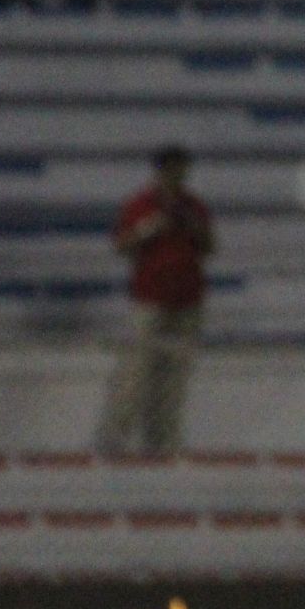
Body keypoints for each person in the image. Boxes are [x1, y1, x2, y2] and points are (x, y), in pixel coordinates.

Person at [94, 144, 214, 455]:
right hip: (150, 297)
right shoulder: (141, 204)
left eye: (181, 170)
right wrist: (150, 228)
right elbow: (122, 245)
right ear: (159, 172)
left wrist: (192, 226)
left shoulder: (194, 206)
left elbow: (209, 247)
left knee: (175, 375)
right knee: (136, 370)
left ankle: (162, 440)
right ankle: (114, 438)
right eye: (171, 170)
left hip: (187, 298)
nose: (177, 176)